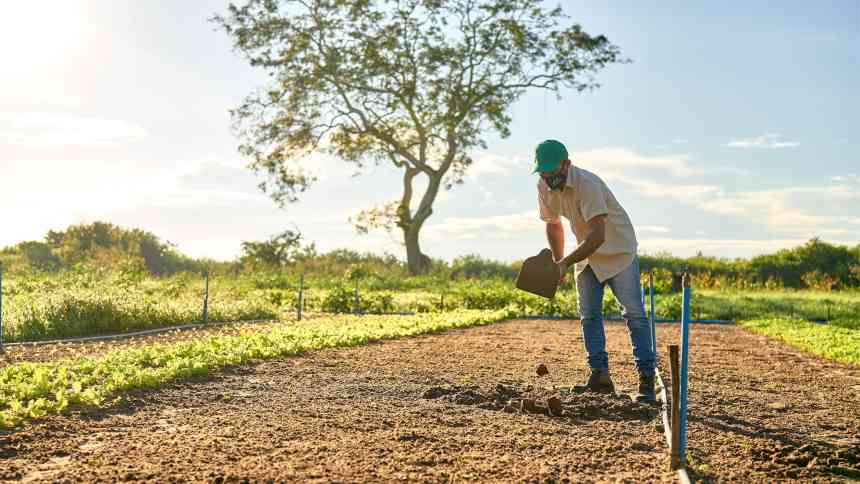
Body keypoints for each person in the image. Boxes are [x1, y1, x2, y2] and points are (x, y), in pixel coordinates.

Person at [533, 139, 656, 403]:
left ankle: (646, 380)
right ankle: (599, 376)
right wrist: (558, 262)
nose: (548, 178)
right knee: (588, 315)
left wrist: (565, 262)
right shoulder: (544, 186)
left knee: (633, 314)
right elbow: (553, 224)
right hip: (586, 254)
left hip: (617, 250)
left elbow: (598, 235)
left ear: (566, 164)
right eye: (543, 173)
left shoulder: (587, 184)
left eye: (552, 172)